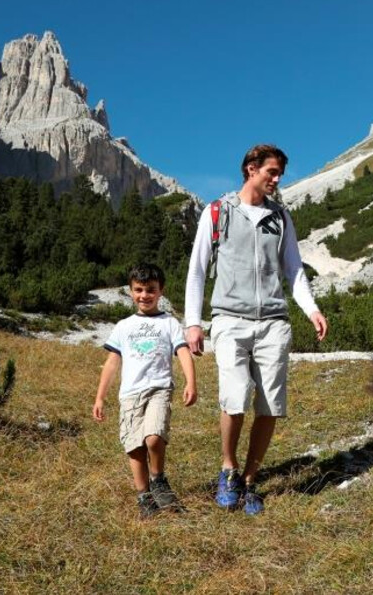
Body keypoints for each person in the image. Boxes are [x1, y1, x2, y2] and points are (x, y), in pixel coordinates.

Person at [184, 144, 328, 515]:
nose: (277, 180)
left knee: (271, 404)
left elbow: (294, 269)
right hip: (229, 319)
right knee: (234, 397)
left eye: (279, 174)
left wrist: (311, 309)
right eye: (271, 172)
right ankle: (228, 469)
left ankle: (250, 480)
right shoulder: (218, 212)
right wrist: (193, 322)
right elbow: (197, 269)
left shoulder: (281, 218)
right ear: (252, 169)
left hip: (274, 322)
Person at [93, 263, 198, 520]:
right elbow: (112, 363)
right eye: (138, 290)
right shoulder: (123, 326)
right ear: (131, 291)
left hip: (159, 389)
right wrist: (100, 397)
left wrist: (191, 382)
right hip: (130, 395)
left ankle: (158, 479)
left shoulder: (169, 323)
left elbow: (183, 352)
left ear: (161, 291)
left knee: (153, 437)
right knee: (135, 447)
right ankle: (144, 496)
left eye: (151, 290)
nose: (144, 295)